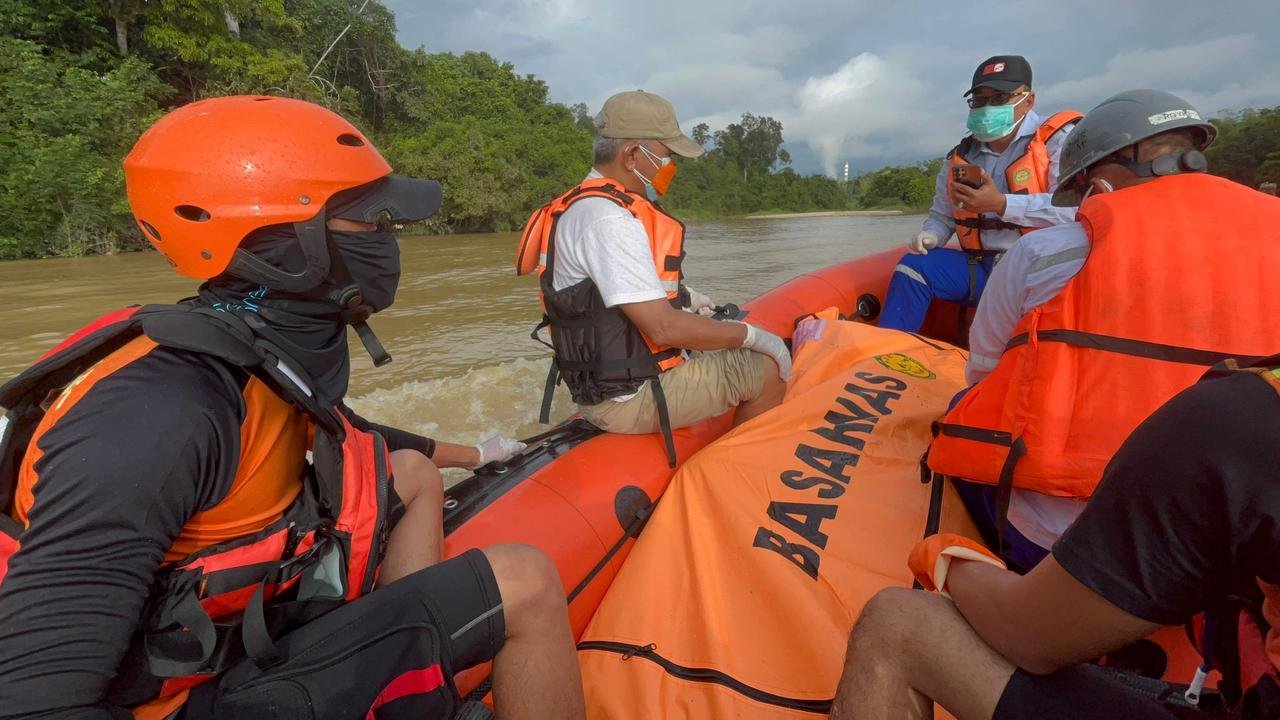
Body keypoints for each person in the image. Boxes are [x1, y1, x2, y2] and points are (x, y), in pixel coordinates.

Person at [0, 96, 584, 720]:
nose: (388, 239)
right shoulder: (160, 410)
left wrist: (475, 454)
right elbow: (33, 700)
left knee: (410, 472)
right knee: (524, 578)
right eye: (370, 220)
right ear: (284, 241)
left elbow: (350, 435)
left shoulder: (249, 341)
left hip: (215, 643)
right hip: (171, 700)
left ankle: (406, 685)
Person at [926, 89, 1280, 570]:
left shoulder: (1042, 254)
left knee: (961, 409)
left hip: (1059, 540)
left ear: (1102, 182)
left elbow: (982, 375)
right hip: (1244, 537)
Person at [831, 354, 1280, 720]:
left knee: (897, 624)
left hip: (1056, 541)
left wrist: (951, 561)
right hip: (1151, 545)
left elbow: (1027, 635)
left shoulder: (1230, 418)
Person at [516, 90, 791, 463]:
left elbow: (607, 292)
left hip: (603, 386)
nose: (669, 167)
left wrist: (688, 297)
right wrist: (756, 338)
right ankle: (741, 472)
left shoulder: (582, 205)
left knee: (721, 338)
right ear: (632, 155)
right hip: (625, 399)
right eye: (665, 156)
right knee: (763, 368)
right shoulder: (609, 218)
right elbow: (662, 329)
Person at [878, 54, 1080, 333]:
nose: (987, 108)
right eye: (980, 101)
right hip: (980, 267)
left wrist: (1001, 204)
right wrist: (932, 234)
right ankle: (887, 353)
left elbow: (1073, 211)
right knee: (914, 266)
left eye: (999, 99)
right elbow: (943, 216)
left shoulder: (1058, 141)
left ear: (1028, 100)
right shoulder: (960, 155)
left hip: (1037, 268)